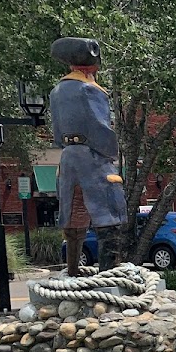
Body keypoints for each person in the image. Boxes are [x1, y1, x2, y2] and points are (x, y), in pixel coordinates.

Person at [48, 37, 127, 275]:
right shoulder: (91, 89)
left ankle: (72, 269)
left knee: (72, 214)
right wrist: (111, 153)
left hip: (67, 156)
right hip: (92, 155)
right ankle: (109, 273)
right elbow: (100, 127)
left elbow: (56, 132)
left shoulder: (56, 91)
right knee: (109, 214)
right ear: (93, 66)